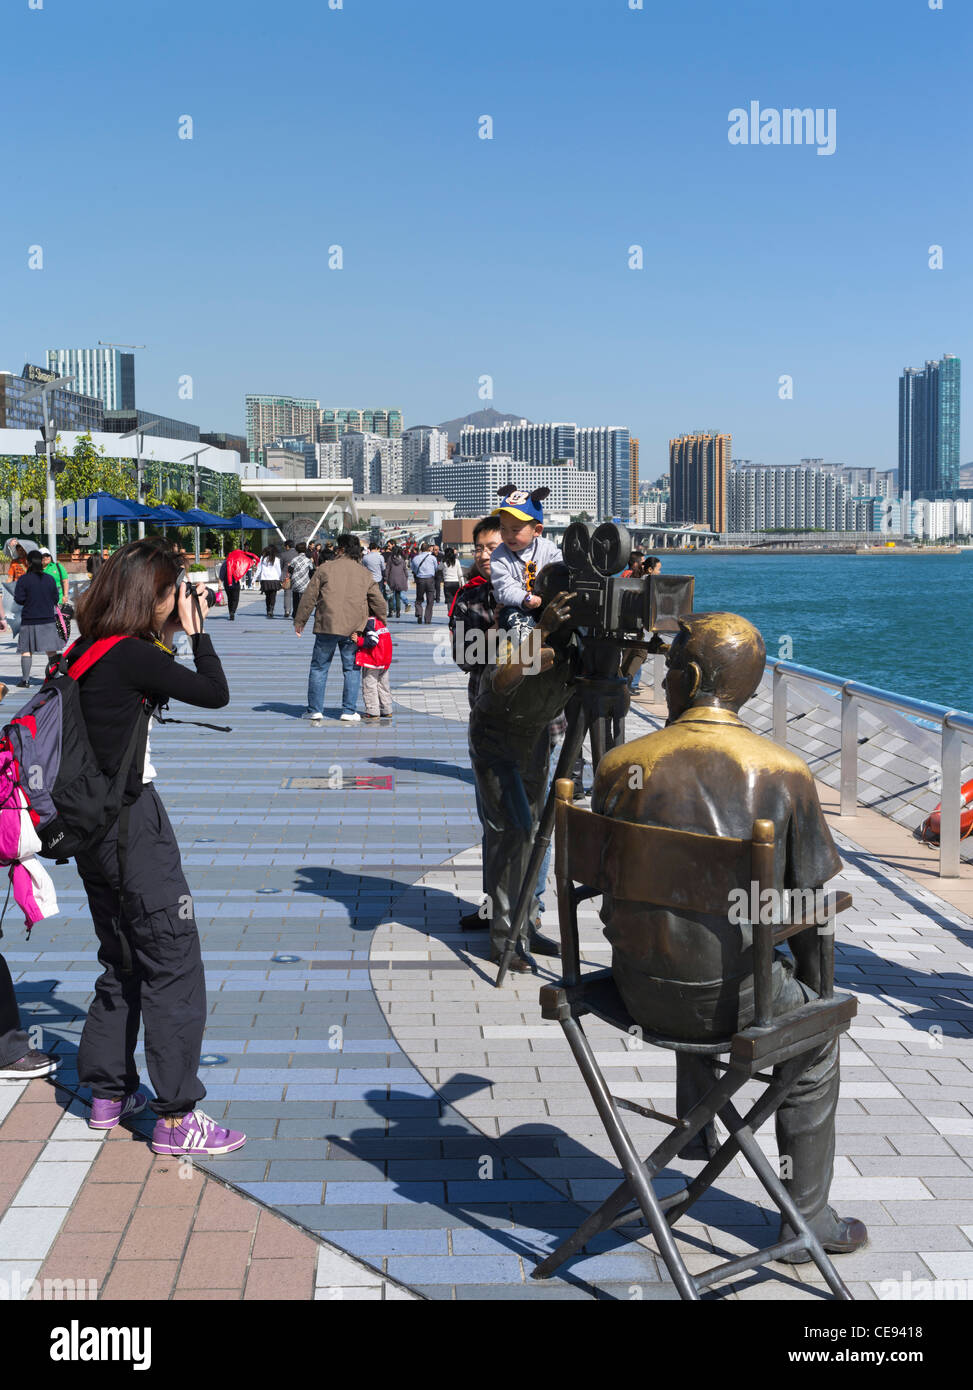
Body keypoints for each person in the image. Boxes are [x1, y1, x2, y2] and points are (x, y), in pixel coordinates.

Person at [591, 612, 867, 1258]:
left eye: (667, 670)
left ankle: (696, 1132)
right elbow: (808, 907)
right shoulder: (780, 772)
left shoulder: (618, 763)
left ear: (686, 678)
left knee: (694, 931)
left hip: (631, 987)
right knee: (811, 1037)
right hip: (727, 1003)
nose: (661, 678)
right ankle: (806, 1221)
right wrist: (814, 996)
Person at [71, 538, 245, 1156]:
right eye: (174, 592)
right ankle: (176, 1117)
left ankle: (107, 1094)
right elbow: (215, 692)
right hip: (133, 827)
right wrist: (197, 632)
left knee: (121, 958)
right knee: (174, 959)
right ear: (157, 596)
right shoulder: (132, 656)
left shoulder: (83, 649)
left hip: (89, 831)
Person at [468, 563, 576, 969]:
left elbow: (612, 693)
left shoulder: (579, 642)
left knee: (533, 830)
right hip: (495, 739)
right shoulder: (518, 629)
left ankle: (526, 924)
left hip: (535, 738)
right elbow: (501, 679)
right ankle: (504, 939)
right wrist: (542, 632)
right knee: (512, 832)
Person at [295, 533, 387, 724]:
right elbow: (378, 601)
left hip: (326, 626)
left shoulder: (325, 569)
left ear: (340, 549)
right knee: (351, 669)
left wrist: (300, 621)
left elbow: (309, 597)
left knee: (319, 668)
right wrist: (381, 620)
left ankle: (314, 710)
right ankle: (348, 710)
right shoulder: (364, 573)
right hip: (354, 629)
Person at [488, 486, 561, 637]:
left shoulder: (548, 549)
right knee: (510, 615)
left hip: (546, 606)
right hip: (518, 608)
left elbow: (561, 570)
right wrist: (525, 598)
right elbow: (504, 589)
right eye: (503, 529)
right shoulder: (499, 556)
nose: (508, 536)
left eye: (515, 530)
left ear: (537, 530)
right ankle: (532, 649)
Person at [448, 516, 501, 708]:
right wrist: (495, 629)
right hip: (487, 713)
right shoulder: (468, 602)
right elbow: (463, 659)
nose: (483, 555)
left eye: (492, 548)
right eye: (479, 549)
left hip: (539, 723)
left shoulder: (536, 596)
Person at [14, 550, 62, 686]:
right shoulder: (50, 579)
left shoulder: (23, 579)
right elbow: (55, 598)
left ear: (28, 563)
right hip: (47, 619)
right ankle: (55, 676)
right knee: (51, 650)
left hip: (29, 619)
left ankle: (25, 680)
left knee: (26, 650)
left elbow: (19, 599)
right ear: (41, 562)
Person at [355, 614, 394, 721]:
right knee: (383, 685)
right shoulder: (380, 622)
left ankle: (372, 711)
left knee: (369, 685)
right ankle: (386, 709)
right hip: (384, 659)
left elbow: (372, 640)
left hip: (373, 659)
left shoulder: (369, 622)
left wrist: (359, 640)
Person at [218, 548, 258, 620]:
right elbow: (243, 569)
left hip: (227, 584)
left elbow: (221, 575)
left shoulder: (224, 564)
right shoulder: (237, 563)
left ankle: (231, 612)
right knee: (235, 598)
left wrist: (219, 585)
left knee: (230, 598)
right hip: (235, 583)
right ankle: (233, 611)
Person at [287, 541, 314, 625]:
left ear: (297, 550)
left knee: (295, 598)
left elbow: (290, 570)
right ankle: (302, 615)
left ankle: (295, 614)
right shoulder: (308, 560)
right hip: (305, 581)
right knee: (304, 600)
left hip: (295, 580)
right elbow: (312, 570)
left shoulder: (294, 559)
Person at [410, 543, 437, 624]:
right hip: (430, 579)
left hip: (420, 579)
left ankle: (419, 613)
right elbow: (436, 568)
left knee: (419, 599)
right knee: (430, 600)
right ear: (429, 549)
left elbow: (413, 569)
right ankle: (427, 619)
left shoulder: (416, 558)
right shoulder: (432, 558)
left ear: (421, 549)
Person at [254, 544, 282, 617]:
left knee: (267, 596)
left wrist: (254, 578)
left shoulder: (263, 559)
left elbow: (259, 569)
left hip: (265, 579)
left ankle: (268, 609)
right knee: (273, 596)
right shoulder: (276, 559)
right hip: (274, 579)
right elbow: (278, 570)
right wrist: (280, 578)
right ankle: (271, 609)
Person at [385, 546, 411, 618]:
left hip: (391, 579)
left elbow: (387, 569)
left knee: (390, 596)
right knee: (398, 596)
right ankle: (398, 612)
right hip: (400, 579)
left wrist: (385, 578)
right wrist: (406, 577)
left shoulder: (390, 559)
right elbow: (405, 569)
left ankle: (391, 611)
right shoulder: (402, 559)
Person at [279, 538, 298, 619]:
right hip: (297, 576)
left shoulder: (283, 554)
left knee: (287, 594)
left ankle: (287, 610)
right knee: (297, 595)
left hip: (287, 576)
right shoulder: (298, 554)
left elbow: (280, 566)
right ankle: (296, 611)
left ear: (287, 546)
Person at [441, 546, 464, 610]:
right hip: (455, 582)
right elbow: (460, 574)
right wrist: (462, 583)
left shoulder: (443, 562)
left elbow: (438, 568)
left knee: (449, 601)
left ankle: (450, 616)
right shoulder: (457, 561)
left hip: (447, 583)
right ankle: (455, 613)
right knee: (456, 599)